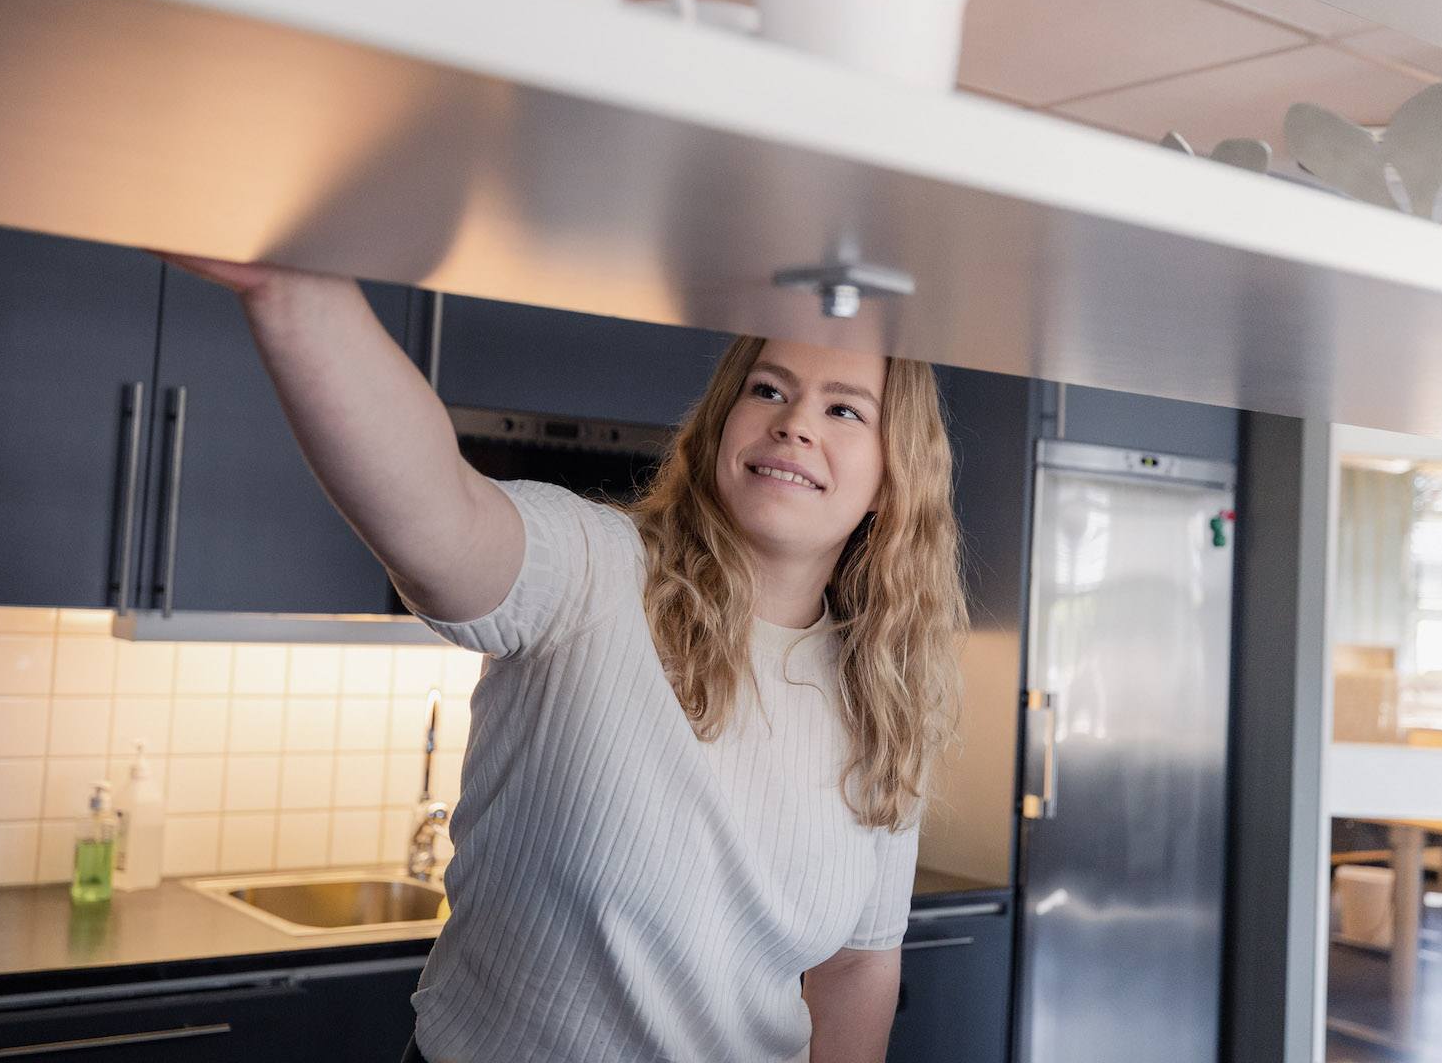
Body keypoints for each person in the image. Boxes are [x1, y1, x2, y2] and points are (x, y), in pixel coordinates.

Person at [163, 256, 967, 1063]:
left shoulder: (883, 696)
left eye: (844, 410)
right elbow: (440, 516)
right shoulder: (595, 570)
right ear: (723, 419)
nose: (795, 422)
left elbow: (860, 962)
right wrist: (297, 292)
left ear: (893, 480)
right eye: (768, 388)